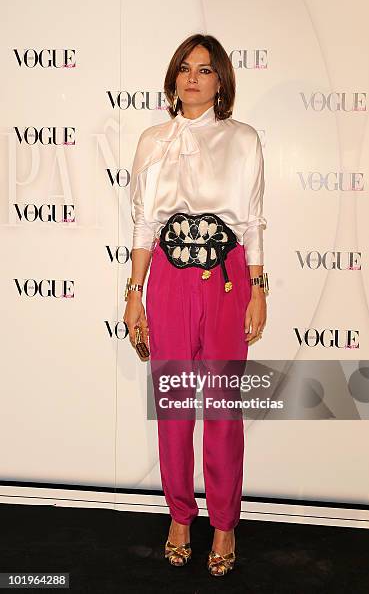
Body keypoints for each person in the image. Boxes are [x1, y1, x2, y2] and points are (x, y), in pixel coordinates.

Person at [123, 33, 268, 577]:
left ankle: (225, 523)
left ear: (221, 80)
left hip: (228, 280)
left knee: (224, 410)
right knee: (176, 410)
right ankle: (180, 517)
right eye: (184, 68)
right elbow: (143, 224)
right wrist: (134, 293)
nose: (192, 78)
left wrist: (259, 288)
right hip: (168, 281)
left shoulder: (244, 139)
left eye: (204, 70)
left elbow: (252, 219)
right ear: (173, 77)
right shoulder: (152, 140)